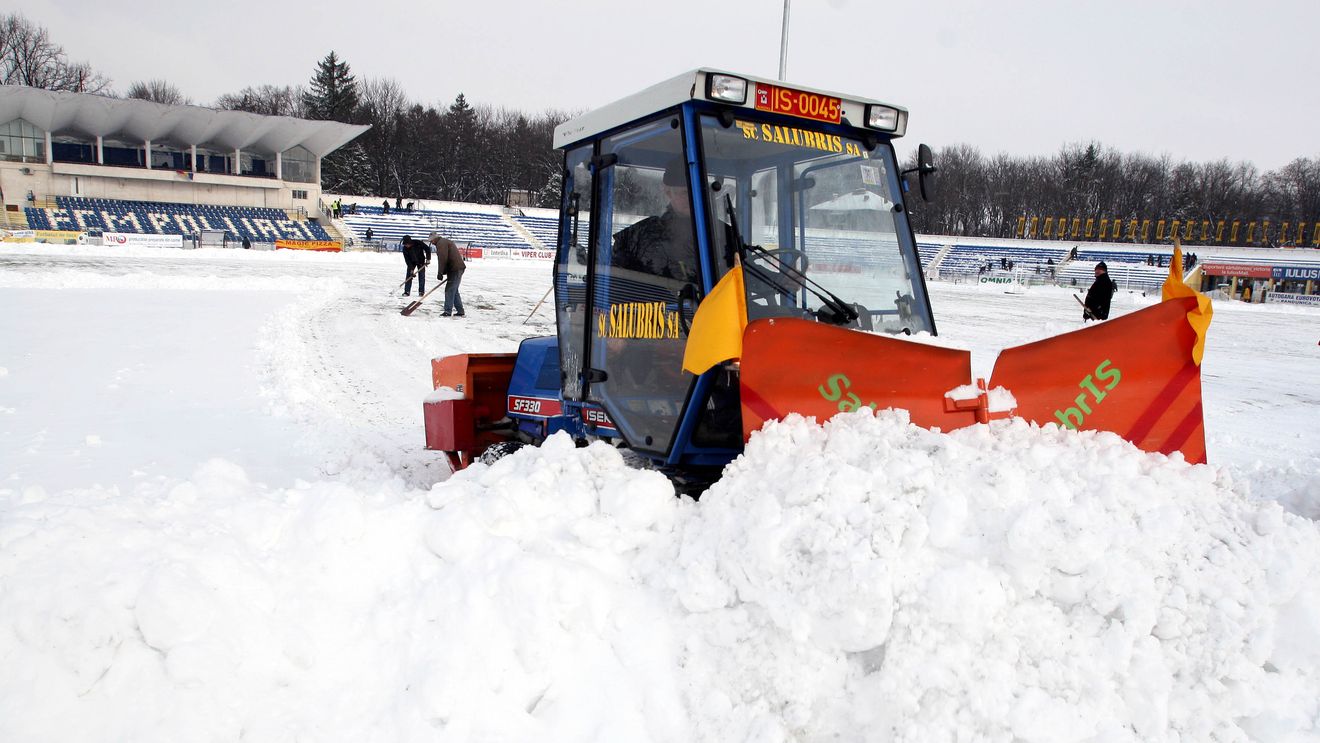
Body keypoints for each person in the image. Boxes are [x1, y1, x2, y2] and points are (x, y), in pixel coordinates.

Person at [611, 158, 698, 284]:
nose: (691, 198)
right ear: (668, 193)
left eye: (695, 191)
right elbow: (616, 279)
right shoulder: (639, 236)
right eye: (684, 192)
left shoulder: (723, 235)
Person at [430, 232, 466, 316]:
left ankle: (447, 311)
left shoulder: (441, 243)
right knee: (454, 290)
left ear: (435, 239)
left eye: (431, 241)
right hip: (455, 268)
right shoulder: (443, 241)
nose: (431, 243)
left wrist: (440, 272)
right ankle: (460, 311)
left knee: (449, 290)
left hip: (455, 269)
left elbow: (442, 258)